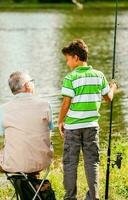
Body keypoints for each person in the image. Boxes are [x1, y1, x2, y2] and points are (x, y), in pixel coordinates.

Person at [0, 71, 53, 200]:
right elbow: (50, 128)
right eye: (32, 82)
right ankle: (32, 186)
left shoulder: (3, 109)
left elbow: (2, 133)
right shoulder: (46, 105)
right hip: (42, 161)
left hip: (16, 163)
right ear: (27, 85)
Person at [58, 39, 117, 200]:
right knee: (92, 162)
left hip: (73, 128)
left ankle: (70, 197)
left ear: (76, 57)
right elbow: (108, 98)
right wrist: (112, 87)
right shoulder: (99, 76)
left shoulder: (70, 78)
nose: (67, 62)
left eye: (68, 59)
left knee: (70, 163)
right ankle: (94, 196)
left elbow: (66, 103)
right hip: (91, 127)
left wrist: (60, 121)